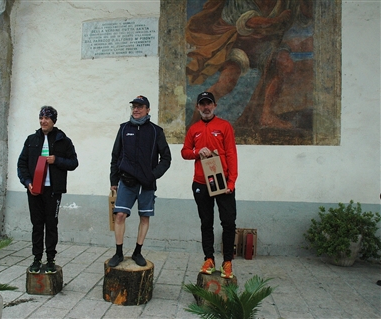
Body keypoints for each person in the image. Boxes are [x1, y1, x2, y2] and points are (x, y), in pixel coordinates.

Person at [186, 0, 313, 129]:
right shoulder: (239, 2)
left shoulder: (286, 2)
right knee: (227, 82)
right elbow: (248, 22)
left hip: (265, 46)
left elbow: (304, 15)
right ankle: (195, 121)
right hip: (239, 44)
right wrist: (276, 20)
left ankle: (266, 115)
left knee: (284, 64)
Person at [108, 95, 171, 267]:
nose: (136, 109)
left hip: (147, 184)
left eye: (140, 107)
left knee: (144, 217)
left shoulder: (156, 131)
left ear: (147, 110)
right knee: (119, 215)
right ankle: (119, 253)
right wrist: (114, 179)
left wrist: (153, 175)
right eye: (134, 106)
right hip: (126, 182)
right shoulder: (123, 129)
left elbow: (166, 158)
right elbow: (115, 156)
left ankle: (138, 252)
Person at [181, 91, 238, 278]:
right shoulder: (194, 129)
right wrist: (197, 151)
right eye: (202, 104)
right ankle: (209, 259)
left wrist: (232, 181)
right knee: (206, 222)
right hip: (200, 182)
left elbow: (231, 154)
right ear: (198, 107)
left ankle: (227, 261)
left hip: (222, 182)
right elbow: (185, 152)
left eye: (209, 104)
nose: (206, 107)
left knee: (228, 222)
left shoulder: (224, 126)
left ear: (215, 106)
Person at [17, 106, 78, 273]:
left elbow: (73, 163)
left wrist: (56, 160)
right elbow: (21, 164)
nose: (43, 121)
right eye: (41, 117)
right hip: (34, 190)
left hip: (53, 190)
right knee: (37, 225)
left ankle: (50, 259)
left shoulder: (63, 140)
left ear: (53, 121)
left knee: (51, 225)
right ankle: (36, 258)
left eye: (47, 118)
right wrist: (27, 182)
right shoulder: (31, 140)